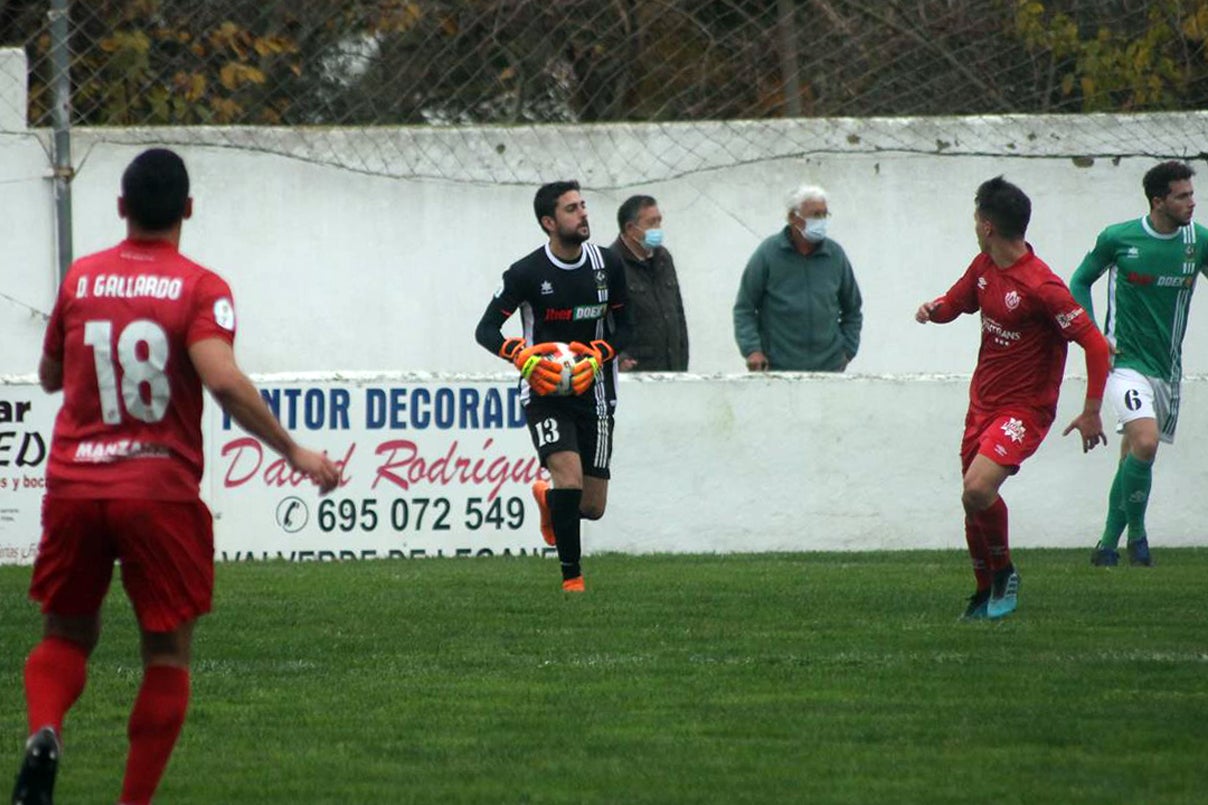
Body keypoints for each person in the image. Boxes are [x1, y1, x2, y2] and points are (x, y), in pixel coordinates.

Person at [11, 148, 340, 805]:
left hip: (76, 484)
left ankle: (45, 731)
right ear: (187, 209)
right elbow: (221, 379)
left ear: (121, 208)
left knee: (66, 635)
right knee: (165, 654)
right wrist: (293, 450)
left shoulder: (80, 278)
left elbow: (51, 376)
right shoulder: (199, 287)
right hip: (157, 488)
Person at [915, 176, 1110, 621]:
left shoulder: (1042, 286)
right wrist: (934, 311)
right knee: (972, 499)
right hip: (982, 403)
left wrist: (1091, 410)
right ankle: (984, 591)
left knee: (978, 487)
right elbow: (958, 302)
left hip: (1025, 408)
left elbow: (1095, 345)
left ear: (986, 225)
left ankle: (1004, 573)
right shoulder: (984, 266)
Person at [474, 180, 632, 592]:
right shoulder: (526, 273)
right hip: (545, 392)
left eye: (583, 206)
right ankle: (572, 579)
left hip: (595, 390)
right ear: (548, 222)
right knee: (569, 475)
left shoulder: (608, 265)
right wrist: (521, 355)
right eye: (571, 209)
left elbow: (628, 326)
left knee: (591, 506)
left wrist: (599, 354)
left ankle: (547, 499)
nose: (583, 214)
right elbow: (486, 329)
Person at [1071, 161, 1208, 568]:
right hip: (1125, 362)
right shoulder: (1119, 238)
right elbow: (1079, 281)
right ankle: (1136, 540)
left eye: (1191, 193)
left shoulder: (1197, 241)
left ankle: (1109, 544)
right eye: (1182, 195)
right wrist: (1094, 336)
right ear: (1158, 201)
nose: (1191, 202)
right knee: (1145, 442)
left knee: (1134, 454)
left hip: (1167, 369)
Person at [733, 184, 863, 372]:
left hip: (829, 369)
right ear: (793, 218)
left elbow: (852, 309)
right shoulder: (768, 254)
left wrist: (847, 351)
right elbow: (744, 308)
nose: (821, 221)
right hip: (778, 369)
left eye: (824, 215)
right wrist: (753, 350)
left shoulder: (835, 256)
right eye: (814, 215)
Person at [609, 195, 689, 371]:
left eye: (659, 221)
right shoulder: (610, 263)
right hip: (635, 370)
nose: (658, 229)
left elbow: (677, 312)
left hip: (672, 369)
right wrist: (619, 357)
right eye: (651, 223)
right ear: (631, 229)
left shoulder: (663, 258)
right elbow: (602, 321)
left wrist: (682, 360)